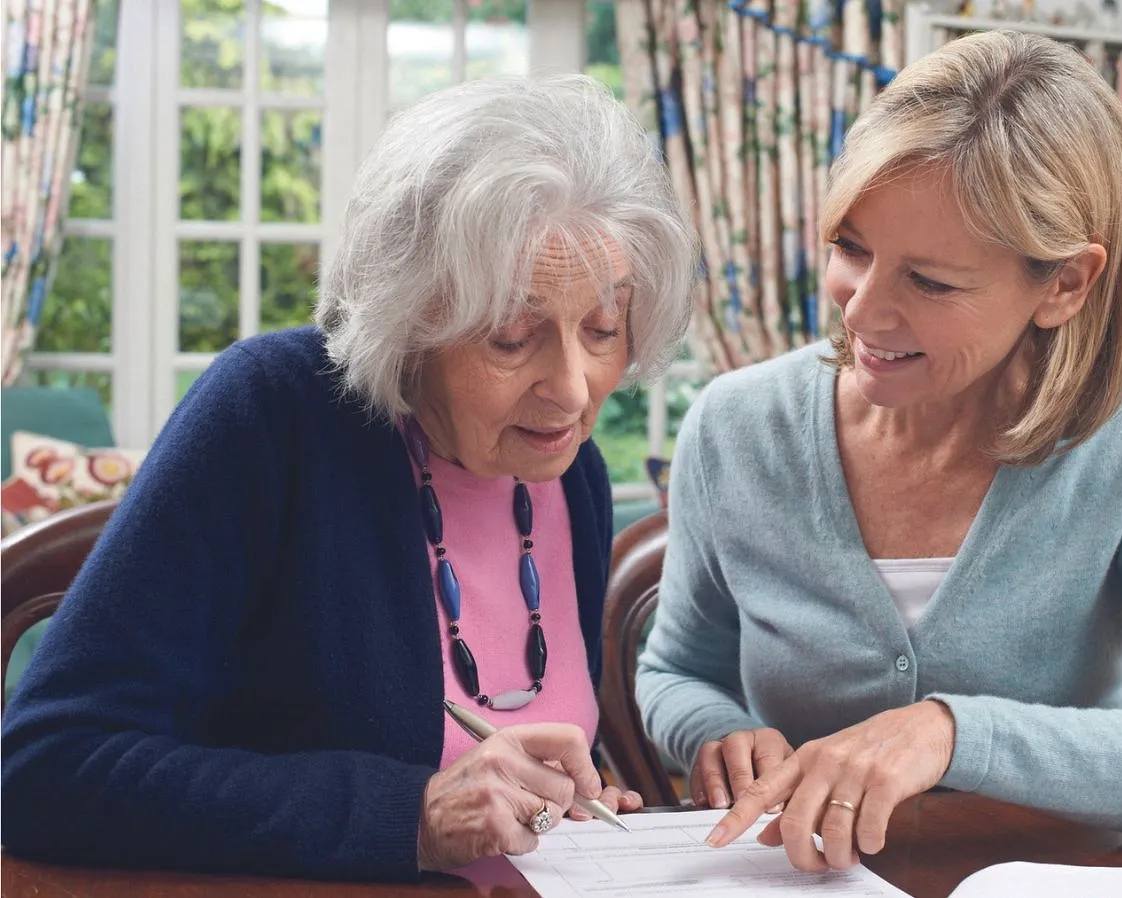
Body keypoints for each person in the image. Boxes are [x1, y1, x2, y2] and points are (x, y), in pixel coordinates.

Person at [1, 74, 696, 880]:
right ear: (411, 319)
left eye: (604, 328)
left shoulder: (567, 473)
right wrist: (414, 814)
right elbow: (44, 769)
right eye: (513, 336)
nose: (573, 388)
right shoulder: (273, 415)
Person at [636, 29, 1122, 874]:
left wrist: (949, 732)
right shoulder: (734, 425)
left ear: (1066, 284)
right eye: (851, 248)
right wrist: (714, 731)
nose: (861, 313)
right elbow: (677, 670)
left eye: (930, 281)